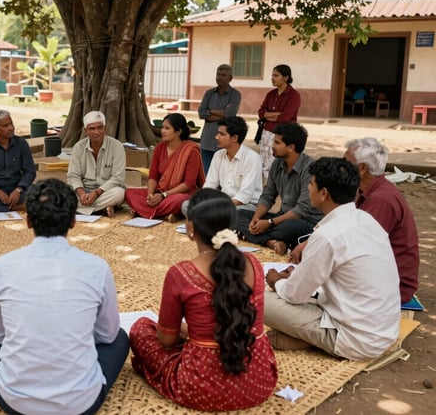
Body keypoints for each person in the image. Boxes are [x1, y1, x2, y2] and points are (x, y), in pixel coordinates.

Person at [0, 179, 129, 415]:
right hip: (80, 404)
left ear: (27, 221)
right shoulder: (96, 267)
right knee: (120, 338)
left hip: (15, 401)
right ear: (73, 221)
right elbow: (107, 334)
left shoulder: (3, 265)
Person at [130, 188, 278, 411]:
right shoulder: (254, 264)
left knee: (141, 328)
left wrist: (187, 331)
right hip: (258, 380)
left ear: (190, 228)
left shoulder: (180, 274)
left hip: (201, 385)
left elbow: (166, 341)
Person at [264, 158, 400, 360]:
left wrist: (277, 281)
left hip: (354, 339)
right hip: (384, 332)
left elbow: (294, 295)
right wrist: (299, 276)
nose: (308, 188)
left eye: (310, 184)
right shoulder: (367, 220)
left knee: (254, 298)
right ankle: (308, 337)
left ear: (323, 193)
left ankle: (315, 339)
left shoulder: (327, 235)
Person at [345, 137, 419, 304]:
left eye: (345, 163)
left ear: (362, 168)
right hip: (379, 277)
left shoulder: (381, 200)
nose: (340, 168)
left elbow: (358, 247)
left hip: (392, 287)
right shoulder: (369, 191)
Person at [235, 122, 323, 255]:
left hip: (306, 221)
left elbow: (302, 209)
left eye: (277, 143)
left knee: (290, 228)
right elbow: (268, 196)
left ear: (291, 147)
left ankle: (264, 237)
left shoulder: (310, 168)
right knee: (237, 215)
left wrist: (269, 223)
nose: (272, 146)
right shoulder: (277, 163)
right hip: (282, 216)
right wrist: (256, 218)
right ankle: (273, 242)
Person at [124, 113, 204, 222]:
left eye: (167, 128)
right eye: (162, 127)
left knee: (179, 200)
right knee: (129, 192)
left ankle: (144, 211)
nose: (162, 131)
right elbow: (153, 176)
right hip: (159, 191)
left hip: (179, 194)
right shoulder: (159, 148)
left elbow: (188, 184)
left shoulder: (191, 151)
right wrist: (150, 195)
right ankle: (163, 214)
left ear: (178, 132)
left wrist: (163, 195)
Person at [183, 116, 261, 216]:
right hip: (223, 202)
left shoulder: (252, 158)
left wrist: (217, 205)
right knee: (186, 205)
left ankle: (205, 221)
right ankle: (210, 222)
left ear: (234, 138)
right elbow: (210, 185)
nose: (217, 137)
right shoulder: (218, 155)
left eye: (222, 134)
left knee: (234, 212)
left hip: (246, 205)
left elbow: (244, 197)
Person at [66, 111, 126, 217]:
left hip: (105, 192)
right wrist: (81, 193)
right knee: (61, 193)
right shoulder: (78, 147)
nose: (96, 132)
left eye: (100, 128)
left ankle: (80, 209)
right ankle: (100, 211)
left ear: (105, 128)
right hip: (84, 191)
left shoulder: (117, 146)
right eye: (92, 129)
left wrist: (97, 192)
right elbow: (73, 175)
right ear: (86, 131)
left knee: (119, 193)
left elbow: (118, 177)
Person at [257, 64, 301, 181]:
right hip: (266, 132)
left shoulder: (294, 95)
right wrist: (274, 114)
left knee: (278, 163)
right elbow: (261, 113)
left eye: (276, 75)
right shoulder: (270, 94)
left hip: (283, 135)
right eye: (272, 75)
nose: (272, 78)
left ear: (286, 77)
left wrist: (268, 115)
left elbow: (285, 118)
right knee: (265, 164)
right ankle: (268, 188)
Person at [198, 64, 241, 174]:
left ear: (230, 78)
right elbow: (202, 113)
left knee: (222, 173)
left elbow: (231, 114)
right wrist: (222, 113)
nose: (219, 77)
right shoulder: (209, 93)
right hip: (207, 140)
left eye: (223, 75)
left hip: (224, 142)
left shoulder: (235, 94)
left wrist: (211, 110)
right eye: (218, 74)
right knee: (205, 172)